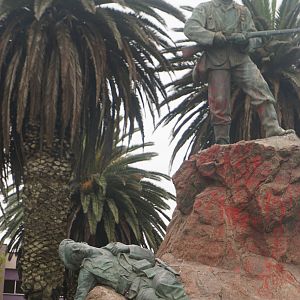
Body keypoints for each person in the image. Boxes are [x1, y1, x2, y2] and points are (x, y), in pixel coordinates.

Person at [184, 0, 294, 144]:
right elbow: (190, 28)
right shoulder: (205, 8)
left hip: (240, 59)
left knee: (261, 88)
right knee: (219, 101)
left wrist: (245, 41)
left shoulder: (242, 11)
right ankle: (222, 140)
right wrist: (213, 37)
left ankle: (273, 128)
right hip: (216, 60)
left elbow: (256, 38)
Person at [58, 239, 189, 300]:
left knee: (163, 284)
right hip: (137, 289)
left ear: (82, 243)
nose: (77, 249)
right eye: (74, 253)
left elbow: (150, 256)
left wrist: (127, 248)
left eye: (75, 246)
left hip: (152, 273)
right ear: (76, 261)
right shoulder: (87, 270)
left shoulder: (113, 246)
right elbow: (80, 295)